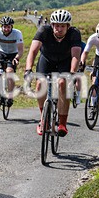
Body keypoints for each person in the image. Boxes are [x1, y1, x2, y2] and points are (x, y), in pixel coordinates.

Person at [25, 9, 82, 137]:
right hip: (47, 60)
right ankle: (43, 119)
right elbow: (33, 51)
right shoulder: (44, 31)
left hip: (65, 61)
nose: (59, 29)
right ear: (52, 25)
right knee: (40, 84)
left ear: (68, 26)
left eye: (62, 26)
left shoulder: (74, 34)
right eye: (56, 25)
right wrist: (28, 69)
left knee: (62, 83)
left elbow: (75, 56)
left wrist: (72, 73)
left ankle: (62, 123)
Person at [0, 16, 24, 106]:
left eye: (8, 27)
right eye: (4, 27)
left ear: (12, 27)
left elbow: (21, 50)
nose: (6, 29)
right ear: (1, 26)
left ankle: (10, 96)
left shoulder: (17, 34)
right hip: (1, 53)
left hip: (13, 54)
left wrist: (17, 58)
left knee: (9, 72)